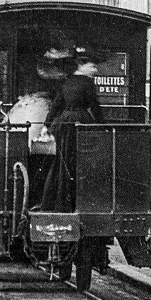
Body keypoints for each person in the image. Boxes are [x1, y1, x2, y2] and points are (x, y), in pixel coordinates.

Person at [39, 46, 103, 212]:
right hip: (79, 122)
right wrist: (103, 126)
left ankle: (56, 202)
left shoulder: (66, 82)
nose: (95, 70)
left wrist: (46, 126)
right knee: (79, 162)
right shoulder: (87, 83)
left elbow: (56, 105)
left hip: (62, 124)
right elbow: (95, 107)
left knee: (61, 163)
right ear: (83, 65)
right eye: (92, 66)